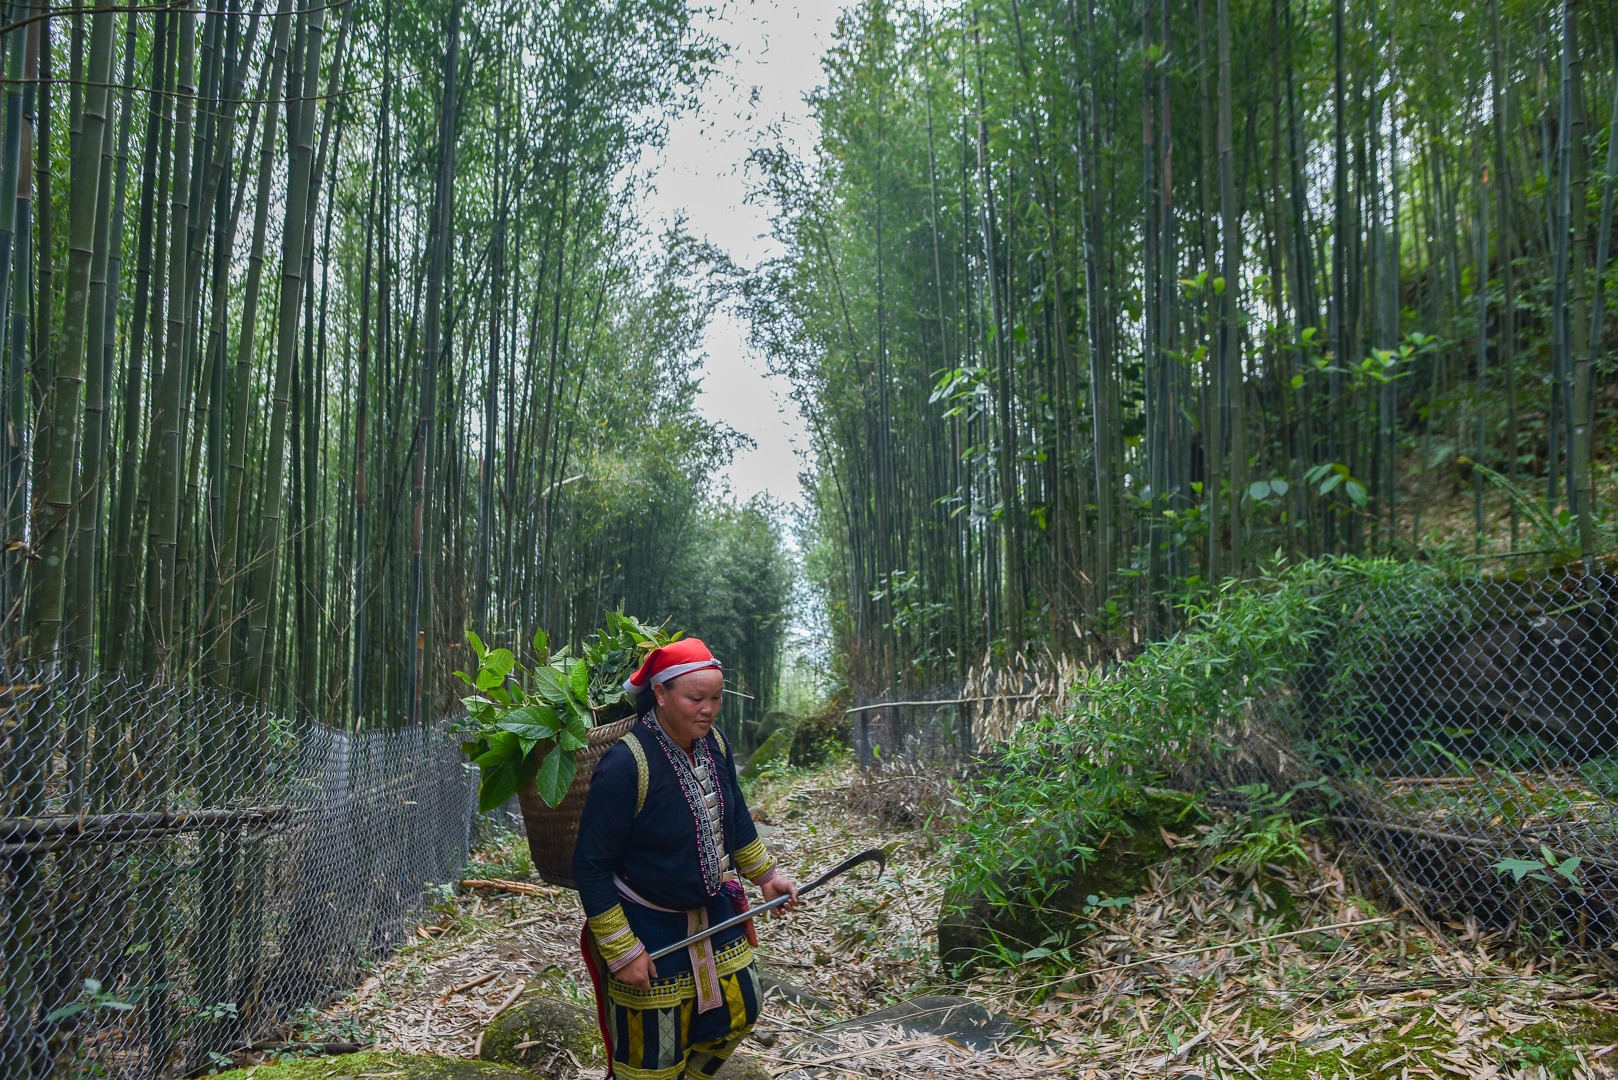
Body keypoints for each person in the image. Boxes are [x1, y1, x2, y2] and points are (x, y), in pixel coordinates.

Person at [573, 638, 799, 1080]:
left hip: (713, 912)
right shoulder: (625, 765)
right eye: (696, 698)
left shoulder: (714, 742)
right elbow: (590, 864)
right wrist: (622, 951)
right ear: (660, 694)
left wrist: (766, 876)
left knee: (742, 1009)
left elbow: (734, 816)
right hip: (646, 924)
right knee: (651, 1059)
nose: (708, 709)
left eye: (715, 698)